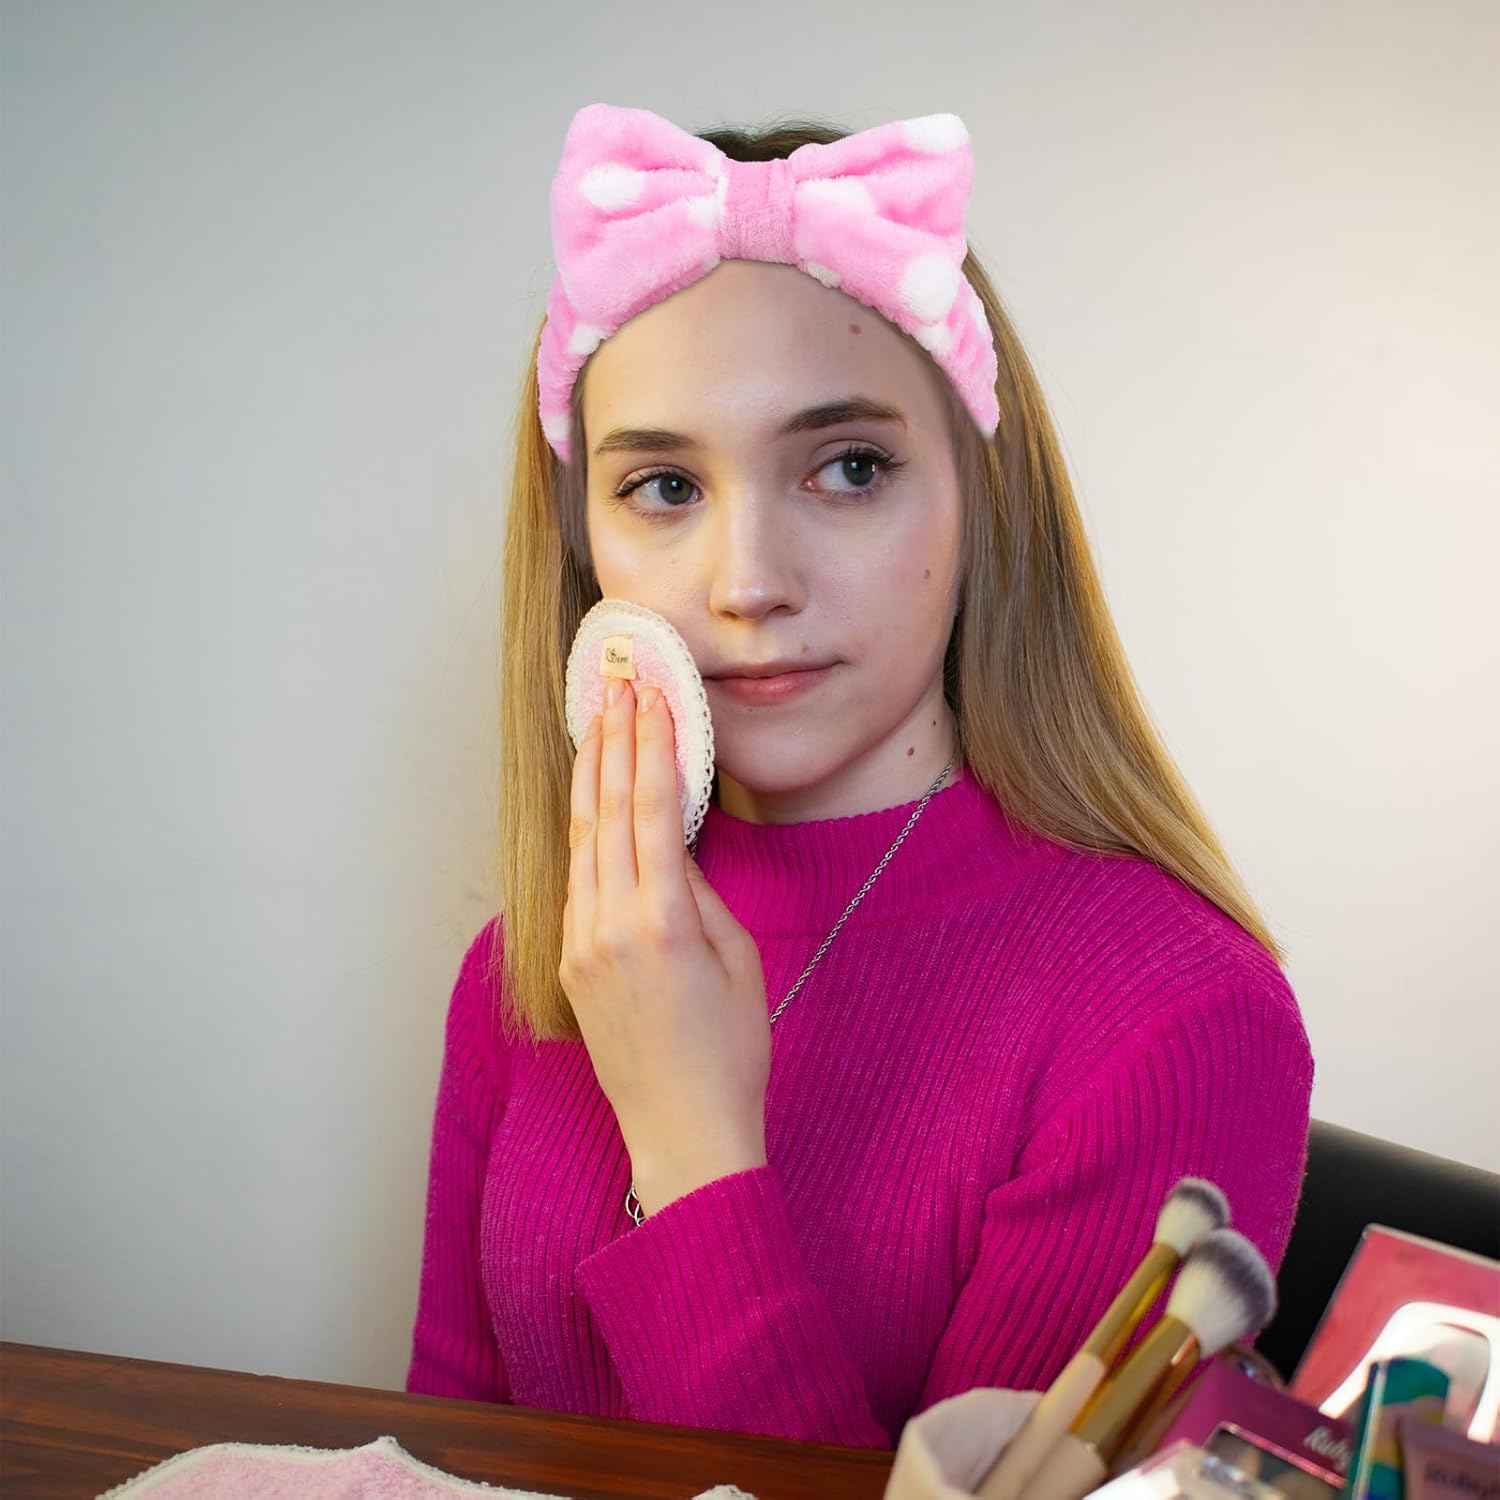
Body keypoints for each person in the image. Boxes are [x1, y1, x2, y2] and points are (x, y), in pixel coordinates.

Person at [404, 102, 1314, 1450]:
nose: (748, 583)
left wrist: (691, 1146)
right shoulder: (541, 952)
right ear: (583, 542)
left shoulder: (1179, 1020)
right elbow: (434, 1460)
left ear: (979, 498)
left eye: (848, 468)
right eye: (664, 488)